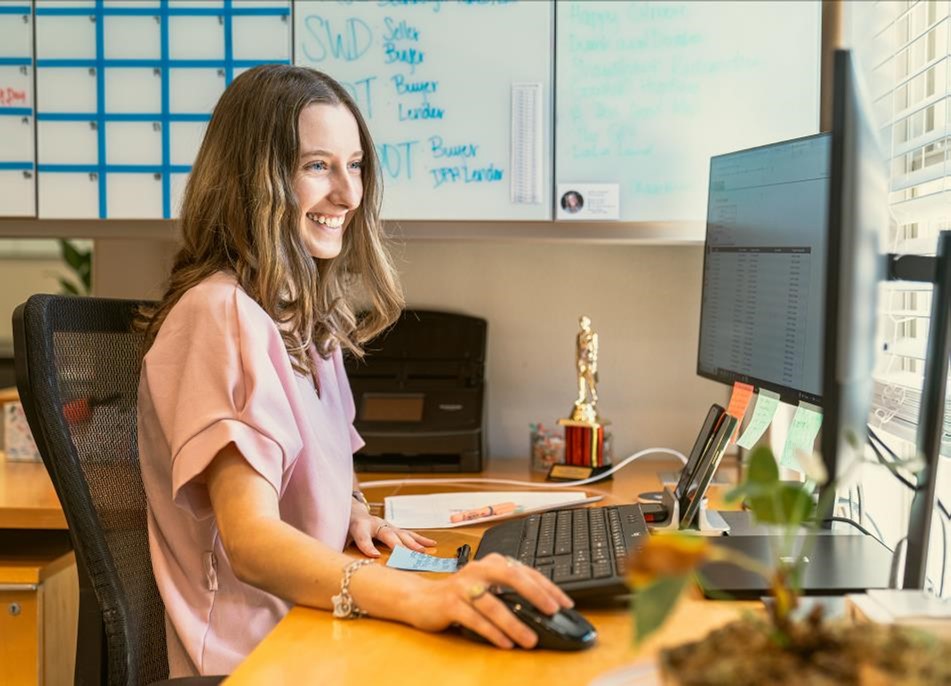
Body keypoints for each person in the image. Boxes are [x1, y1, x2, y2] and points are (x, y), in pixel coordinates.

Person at [136, 65, 572, 678]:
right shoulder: (219, 315)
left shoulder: (299, 315)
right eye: (317, 166)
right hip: (257, 660)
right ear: (251, 183)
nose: (349, 193)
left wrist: (348, 512)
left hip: (314, 629)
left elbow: (304, 474)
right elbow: (252, 540)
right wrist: (417, 595)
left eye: (356, 164)